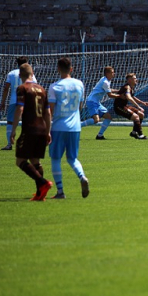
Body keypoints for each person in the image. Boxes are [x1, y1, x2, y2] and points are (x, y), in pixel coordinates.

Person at [9, 64, 54, 201]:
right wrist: (48, 132)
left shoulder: (22, 88)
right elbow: (47, 113)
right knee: (35, 162)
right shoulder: (41, 89)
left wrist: (13, 129)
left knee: (20, 161)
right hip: (42, 129)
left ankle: (43, 183)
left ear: (20, 75)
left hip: (29, 129)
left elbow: (20, 109)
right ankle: (40, 194)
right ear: (32, 73)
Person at [48, 57, 89, 199]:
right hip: (75, 127)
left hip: (59, 127)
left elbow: (50, 111)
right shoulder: (80, 84)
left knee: (55, 159)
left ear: (58, 69)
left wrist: (47, 129)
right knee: (72, 158)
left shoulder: (54, 86)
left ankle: (60, 191)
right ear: (71, 69)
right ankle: (82, 176)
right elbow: (80, 106)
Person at [0, 56, 36, 150]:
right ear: (27, 63)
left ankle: (9, 144)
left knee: (10, 122)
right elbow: (34, 86)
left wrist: (3, 102)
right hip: (27, 101)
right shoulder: (30, 74)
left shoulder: (11, 73)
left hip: (14, 101)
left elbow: (6, 88)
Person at [81, 66, 119, 139]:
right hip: (92, 101)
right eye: (112, 72)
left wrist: (118, 91)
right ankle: (77, 126)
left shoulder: (106, 80)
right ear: (107, 73)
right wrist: (120, 96)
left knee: (108, 117)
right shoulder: (105, 82)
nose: (114, 73)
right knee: (96, 120)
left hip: (97, 102)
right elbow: (110, 95)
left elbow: (109, 89)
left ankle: (100, 135)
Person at [113, 73, 148, 140]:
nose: (136, 80)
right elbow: (129, 97)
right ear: (129, 80)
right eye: (134, 78)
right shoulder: (127, 87)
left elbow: (132, 97)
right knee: (136, 117)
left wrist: (143, 103)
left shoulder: (131, 87)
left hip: (125, 106)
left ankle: (133, 132)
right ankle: (141, 135)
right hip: (119, 107)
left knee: (141, 114)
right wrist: (138, 106)